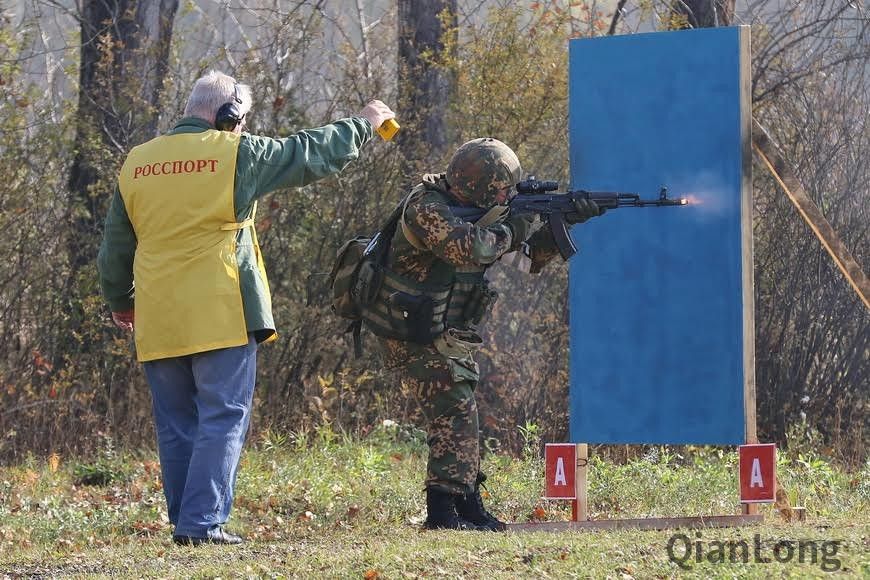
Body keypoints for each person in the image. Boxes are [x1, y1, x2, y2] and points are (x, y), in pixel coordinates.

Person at [97, 70, 394, 545]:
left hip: (157, 314)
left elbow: (115, 245)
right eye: (240, 119)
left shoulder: (137, 162)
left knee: (176, 424)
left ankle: (185, 521)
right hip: (220, 307)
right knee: (223, 415)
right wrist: (364, 122)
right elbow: (308, 153)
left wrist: (121, 302)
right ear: (229, 114)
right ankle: (201, 524)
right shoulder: (236, 152)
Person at [367, 138, 603, 530]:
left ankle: (467, 505)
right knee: (454, 408)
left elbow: (528, 260)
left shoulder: (480, 209)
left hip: (441, 325)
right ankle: (442, 513)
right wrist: (519, 223)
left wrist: (565, 220)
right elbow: (471, 250)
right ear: (477, 188)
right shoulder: (428, 207)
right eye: (500, 190)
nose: (507, 195)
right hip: (409, 327)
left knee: (463, 411)